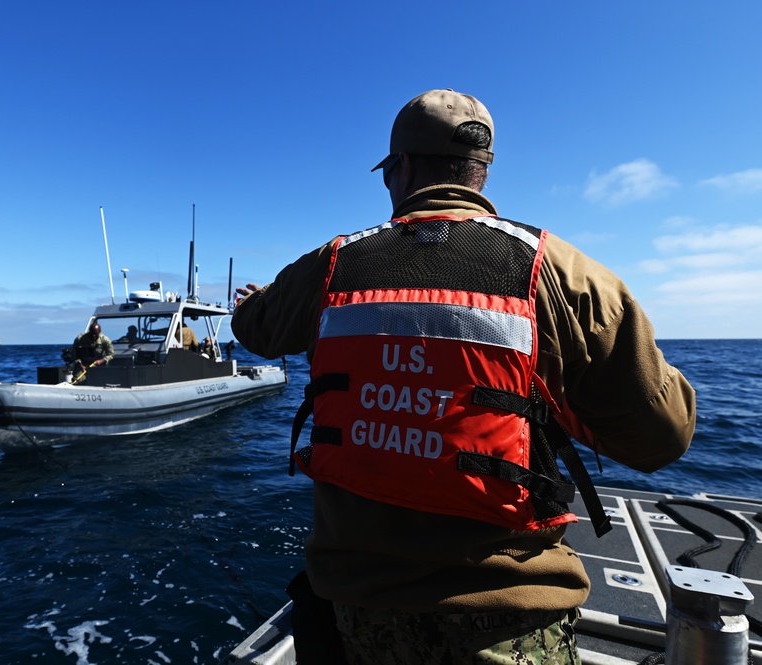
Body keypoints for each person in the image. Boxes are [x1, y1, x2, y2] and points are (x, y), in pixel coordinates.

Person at [231, 89, 695, 664]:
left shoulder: (331, 265)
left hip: (353, 614)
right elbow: (663, 437)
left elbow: (256, 330)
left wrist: (253, 302)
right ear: (480, 172)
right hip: (509, 623)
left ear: (399, 170)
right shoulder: (561, 271)